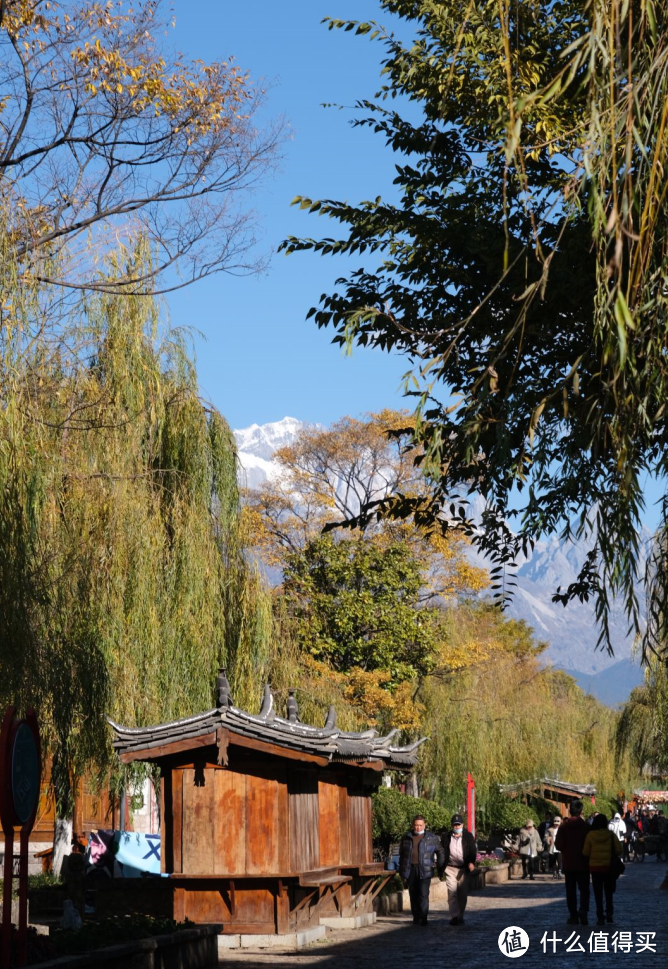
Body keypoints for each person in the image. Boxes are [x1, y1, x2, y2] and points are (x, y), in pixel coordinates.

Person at [398, 815, 445, 926]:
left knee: (423, 894)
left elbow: (440, 851)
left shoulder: (431, 838)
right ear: (413, 825)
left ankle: (423, 917)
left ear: (424, 825)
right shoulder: (407, 837)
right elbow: (402, 854)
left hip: (425, 869)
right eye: (416, 825)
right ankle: (416, 917)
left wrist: (440, 865)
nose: (418, 827)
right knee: (413, 894)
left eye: (420, 825)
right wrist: (402, 870)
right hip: (411, 869)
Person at [555, 799, 590, 926]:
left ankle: (573, 916)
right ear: (581, 811)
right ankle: (584, 911)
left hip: (569, 863)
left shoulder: (564, 827)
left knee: (570, 891)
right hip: (583, 863)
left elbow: (558, 845)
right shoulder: (586, 827)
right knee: (584, 890)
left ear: (570, 811)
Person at [583, 812, 622, 925]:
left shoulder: (590, 835)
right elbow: (619, 850)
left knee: (598, 893)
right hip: (608, 867)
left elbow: (585, 852)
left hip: (595, 868)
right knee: (608, 892)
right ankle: (609, 913)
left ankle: (600, 916)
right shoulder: (610, 835)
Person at [441, 814, 477, 926]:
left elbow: (472, 851)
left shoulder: (468, 836)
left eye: (458, 825)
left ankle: (460, 915)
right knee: (452, 893)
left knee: (462, 894)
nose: (457, 827)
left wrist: (471, 862)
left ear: (462, 825)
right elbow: (442, 851)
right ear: (451, 826)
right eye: (455, 825)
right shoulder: (446, 836)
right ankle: (455, 916)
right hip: (450, 868)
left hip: (463, 869)